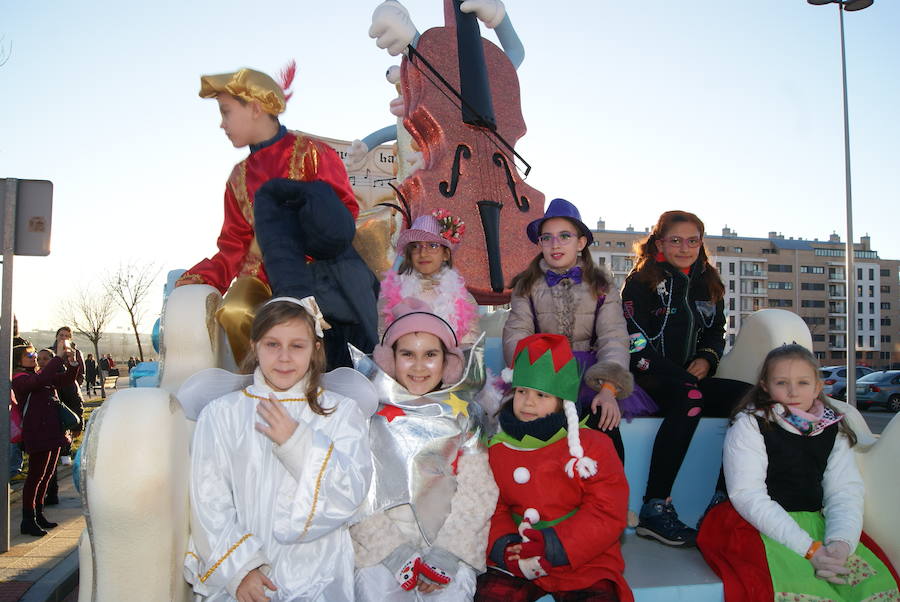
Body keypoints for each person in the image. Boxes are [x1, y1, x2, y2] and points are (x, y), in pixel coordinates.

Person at [174, 66, 378, 369]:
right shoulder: (238, 177)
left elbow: (343, 216)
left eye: (226, 112)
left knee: (329, 326)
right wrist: (203, 277)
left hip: (316, 271)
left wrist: (296, 233)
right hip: (261, 276)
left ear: (255, 108)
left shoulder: (313, 153)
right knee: (235, 310)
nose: (222, 124)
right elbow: (233, 244)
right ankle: (261, 381)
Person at [183, 297, 373, 601]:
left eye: (297, 346)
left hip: (320, 575)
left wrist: (296, 441)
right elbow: (208, 498)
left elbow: (351, 492)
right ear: (254, 346)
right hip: (249, 576)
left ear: (315, 349)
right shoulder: (222, 413)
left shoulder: (342, 412)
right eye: (272, 344)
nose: (284, 357)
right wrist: (241, 569)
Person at [697, 344, 899, 601]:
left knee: (871, 587)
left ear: (817, 387)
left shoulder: (831, 427)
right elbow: (747, 495)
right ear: (765, 387)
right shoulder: (750, 424)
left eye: (803, 382)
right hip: (756, 524)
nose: (793, 391)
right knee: (801, 588)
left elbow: (844, 490)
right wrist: (810, 550)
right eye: (782, 382)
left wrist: (840, 543)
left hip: (815, 524)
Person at [351, 298, 498, 601]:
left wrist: (447, 554)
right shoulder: (367, 415)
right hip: (383, 552)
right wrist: (395, 554)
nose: (419, 366)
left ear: (447, 361)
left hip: (446, 548)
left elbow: (478, 492)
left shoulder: (466, 415)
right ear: (390, 359)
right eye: (407, 354)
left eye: (430, 354)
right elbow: (354, 491)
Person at [622, 210, 749, 547]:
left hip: (692, 378)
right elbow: (635, 343)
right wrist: (680, 376)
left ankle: (722, 503)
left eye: (693, 241)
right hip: (649, 378)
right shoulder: (641, 282)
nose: (684, 248)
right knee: (690, 397)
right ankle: (654, 507)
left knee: (753, 401)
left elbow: (716, 332)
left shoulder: (708, 283)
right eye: (675, 240)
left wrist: (707, 359)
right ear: (660, 243)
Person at [476, 333, 632, 602]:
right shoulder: (498, 448)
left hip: (583, 557)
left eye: (541, 394)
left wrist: (552, 545)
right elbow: (493, 508)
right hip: (518, 555)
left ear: (562, 402)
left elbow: (606, 510)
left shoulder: (592, 447)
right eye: (522, 391)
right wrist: (507, 547)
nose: (528, 402)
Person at [503, 198, 633, 462]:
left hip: (590, 375)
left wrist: (609, 388)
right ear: (540, 244)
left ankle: (611, 485)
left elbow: (613, 338)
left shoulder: (601, 285)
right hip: (542, 371)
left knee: (603, 424)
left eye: (564, 236)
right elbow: (517, 334)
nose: (555, 244)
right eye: (547, 238)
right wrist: (537, 381)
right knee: (529, 425)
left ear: (581, 242)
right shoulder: (526, 285)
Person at [378, 211, 480, 346]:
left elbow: (469, 350)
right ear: (409, 254)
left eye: (432, 245)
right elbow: (385, 345)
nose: (423, 253)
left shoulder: (464, 300)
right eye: (415, 246)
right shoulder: (391, 297)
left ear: (446, 254)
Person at [12, 339, 76, 537]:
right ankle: (28, 519)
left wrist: (72, 362)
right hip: (37, 433)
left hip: (52, 432)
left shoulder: (39, 375)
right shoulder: (20, 379)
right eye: (30, 355)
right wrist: (57, 358)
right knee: (35, 476)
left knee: (46, 475)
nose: (34, 358)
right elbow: (38, 382)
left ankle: (38, 514)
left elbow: (66, 379)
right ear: (19, 360)